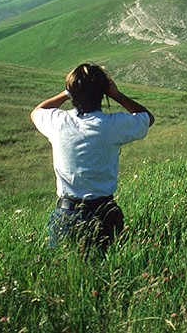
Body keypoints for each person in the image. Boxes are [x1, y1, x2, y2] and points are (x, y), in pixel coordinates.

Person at [31, 63, 154, 252]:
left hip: (66, 214)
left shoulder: (58, 122)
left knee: (65, 274)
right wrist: (116, 95)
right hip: (105, 213)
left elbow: (37, 112)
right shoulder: (112, 125)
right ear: (103, 92)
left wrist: (67, 92)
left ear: (72, 91)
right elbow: (147, 118)